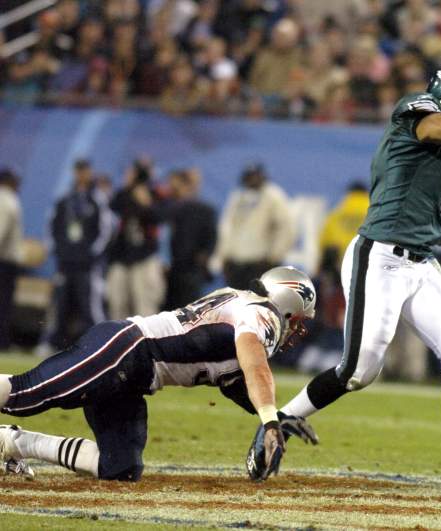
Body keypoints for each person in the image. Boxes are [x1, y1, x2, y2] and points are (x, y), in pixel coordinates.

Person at [246, 64, 441, 490]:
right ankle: (280, 421)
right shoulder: (417, 112)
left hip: (421, 262)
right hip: (381, 257)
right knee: (359, 371)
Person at [0, 267, 318, 481]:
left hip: (135, 375)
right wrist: (270, 419)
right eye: (299, 320)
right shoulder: (264, 314)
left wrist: (275, 415)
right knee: (23, 393)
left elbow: (235, 382)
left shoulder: (244, 302)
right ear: (288, 303)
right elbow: (254, 364)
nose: (296, 330)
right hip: (125, 350)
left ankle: (13, 443)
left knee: (120, 467)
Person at [44, 159, 114, 350]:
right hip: (66, 262)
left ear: (90, 172)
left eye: (85, 170)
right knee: (60, 303)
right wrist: (59, 251)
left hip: (87, 264)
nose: (82, 174)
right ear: (75, 172)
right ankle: (54, 343)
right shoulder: (65, 198)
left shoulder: (97, 198)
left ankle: (101, 344)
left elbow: (106, 229)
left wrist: (91, 253)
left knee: (90, 305)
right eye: (79, 171)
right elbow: (52, 226)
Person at [214, 163, 295, 290]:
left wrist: (274, 256)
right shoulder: (238, 196)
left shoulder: (273, 195)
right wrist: (223, 257)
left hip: (261, 263)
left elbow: (285, 227)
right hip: (236, 264)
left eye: (255, 176)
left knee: (259, 305)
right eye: (249, 176)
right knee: (235, 304)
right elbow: (227, 228)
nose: (252, 179)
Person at [106, 159, 167, 319]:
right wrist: (129, 189)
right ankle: (119, 342)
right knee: (117, 303)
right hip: (121, 256)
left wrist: (146, 203)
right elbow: (113, 207)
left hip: (144, 257)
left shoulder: (155, 193)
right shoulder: (123, 194)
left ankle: (147, 343)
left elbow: (161, 217)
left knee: (145, 305)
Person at [164, 169, 217, 309]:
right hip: (170, 271)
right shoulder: (167, 208)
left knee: (190, 311)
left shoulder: (204, 210)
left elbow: (211, 238)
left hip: (192, 271)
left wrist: (204, 257)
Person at [0, 168, 24, 351]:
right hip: (4, 262)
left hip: (5, 261)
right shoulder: (7, 199)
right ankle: (2, 341)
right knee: (4, 303)